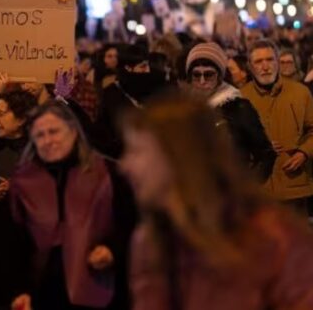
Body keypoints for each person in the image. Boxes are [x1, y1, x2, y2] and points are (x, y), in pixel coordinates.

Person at [120, 95, 313, 310]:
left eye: (137, 151)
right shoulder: (149, 244)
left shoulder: (271, 236)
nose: (125, 166)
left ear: (177, 154)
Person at [10, 102, 117, 310]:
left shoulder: (107, 174)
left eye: (54, 132)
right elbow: (15, 243)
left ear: (73, 131)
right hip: (45, 292)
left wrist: (112, 250)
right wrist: (20, 290)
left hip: (99, 286)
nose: (48, 141)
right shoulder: (24, 182)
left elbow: (130, 224)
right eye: (40, 135)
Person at [0, 90, 37, 308]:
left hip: (27, 247)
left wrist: (16, 188)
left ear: (21, 119)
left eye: (2, 114)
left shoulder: (38, 152)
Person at [186, 43, 276, 181]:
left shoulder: (237, 107)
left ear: (220, 76)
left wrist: (245, 187)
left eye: (209, 75)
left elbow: (266, 155)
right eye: (196, 75)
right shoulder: (183, 109)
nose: (202, 81)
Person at [242, 40, 313, 209]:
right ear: (250, 66)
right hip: (258, 188)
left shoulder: (300, 93)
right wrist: (259, 148)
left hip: (295, 185)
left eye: (270, 59)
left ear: (277, 62)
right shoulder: (242, 97)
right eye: (258, 61)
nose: (265, 66)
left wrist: (304, 153)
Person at [95, 45, 168, 159]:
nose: (146, 70)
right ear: (128, 68)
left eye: (146, 66)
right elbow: (104, 131)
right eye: (142, 66)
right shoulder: (112, 93)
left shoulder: (158, 88)